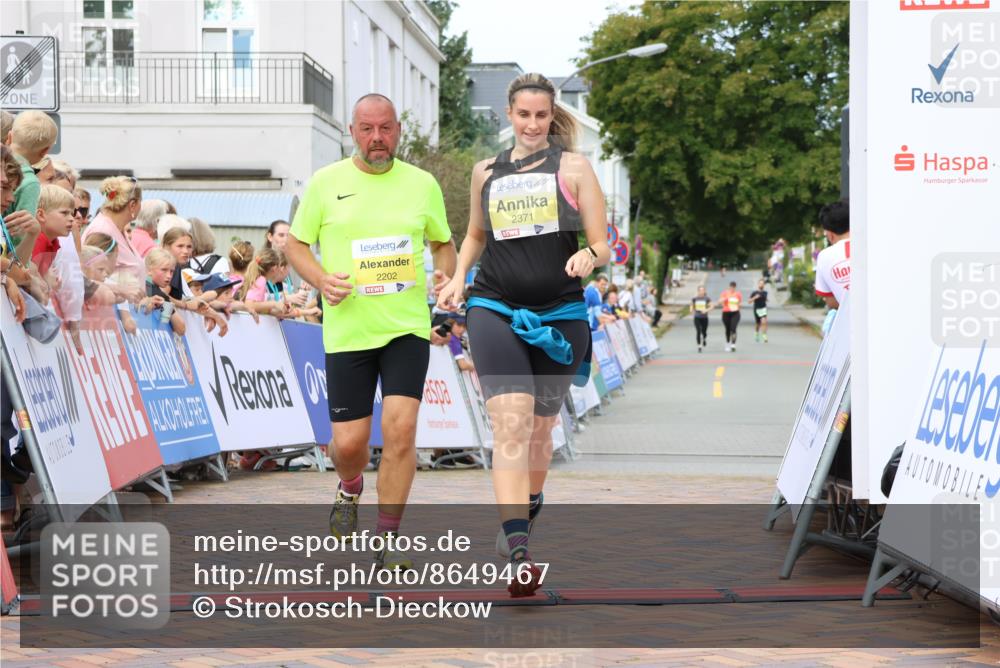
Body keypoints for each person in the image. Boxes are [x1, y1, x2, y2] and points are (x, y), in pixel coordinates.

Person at [436, 72, 610, 597]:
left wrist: (589, 255)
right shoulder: (485, 171)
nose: (532, 124)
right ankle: (519, 552)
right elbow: (473, 234)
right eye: (523, 114)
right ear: (509, 116)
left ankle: (526, 511)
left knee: (538, 432)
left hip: (560, 313)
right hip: (494, 306)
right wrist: (458, 277)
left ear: (550, 116)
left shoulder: (575, 169)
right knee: (509, 423)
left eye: (541, 115)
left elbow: (604, 244)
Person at [286, 93, 457, 572]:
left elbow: (444, 245)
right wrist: (320, 281)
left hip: (406, 328)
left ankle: (389, 537)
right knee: (348, 446)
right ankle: (349, 486)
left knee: (401, 432)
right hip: (348, 331)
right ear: (352, 131)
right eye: (367, 129)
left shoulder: (423, 185)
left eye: (385, 129)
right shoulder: (326, 183)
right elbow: (298, 245)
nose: (377, 139)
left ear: (398, 130)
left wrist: (446, 275)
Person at [82, 176, 146, 295]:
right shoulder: (102, 230)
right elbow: (88, 277)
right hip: (110, 310)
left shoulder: (118, 228)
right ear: (133, 205)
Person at [814, 198, 850, 310]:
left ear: (829, 235)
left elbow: (832, 302)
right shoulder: (872, 245)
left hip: (851, 324)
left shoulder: (824, 257)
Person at [142, 248, 186, 335]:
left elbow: (181, 330)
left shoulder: (160, 295)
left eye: (172, 271)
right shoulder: (144, 288)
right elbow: (181, 329)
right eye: (164, 270)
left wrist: (169, 308)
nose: (169, 276)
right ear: (149, 269)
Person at [719, 280, 742, 352]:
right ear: (729, 287)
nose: (732, 289)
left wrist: (738, 306)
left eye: (733, 287)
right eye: (731, 287)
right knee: (727, 329)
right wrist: (726, 299)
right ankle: (727, 343)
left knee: (733, 328)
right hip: (726, 313)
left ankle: (733, 344)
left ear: (735, 288)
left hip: (735, 313)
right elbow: (719, 301)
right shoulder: (725, 293)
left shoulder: (738, 294)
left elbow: (739, 303)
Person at [692, 285, 712, 352]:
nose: (701, 291)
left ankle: (704, 338)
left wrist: (706, 310)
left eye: (703, 290)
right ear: (698, 291)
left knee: (704, 332)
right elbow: (691, 306)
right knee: (698, 331)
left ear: (704, 291)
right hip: (697, 317)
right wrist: (692, 310)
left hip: (704, 317)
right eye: (700, 290)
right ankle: (699, 346)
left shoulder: (707, 298)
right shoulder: (695, 299)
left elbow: (712, 306)